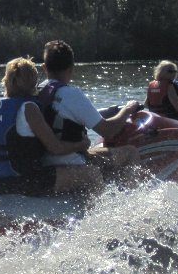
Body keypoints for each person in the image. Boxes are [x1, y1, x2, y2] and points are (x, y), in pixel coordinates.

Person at [0, 57, 99, 197]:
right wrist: (81, 145)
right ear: (34, 83)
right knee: (92, 174)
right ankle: (94, 211)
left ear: (6, 81)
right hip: (25, 182)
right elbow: (55, 148)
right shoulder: (29, 108)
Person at [39, 39, 144, 180]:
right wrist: (127, 109)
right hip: (70, 161)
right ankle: (129, 193)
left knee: (97, 150)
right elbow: (108, 131)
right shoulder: (71, 94)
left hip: (44, 163)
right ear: (71, 68)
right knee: (130, 152)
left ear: (44, 67)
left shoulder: (36, 91)